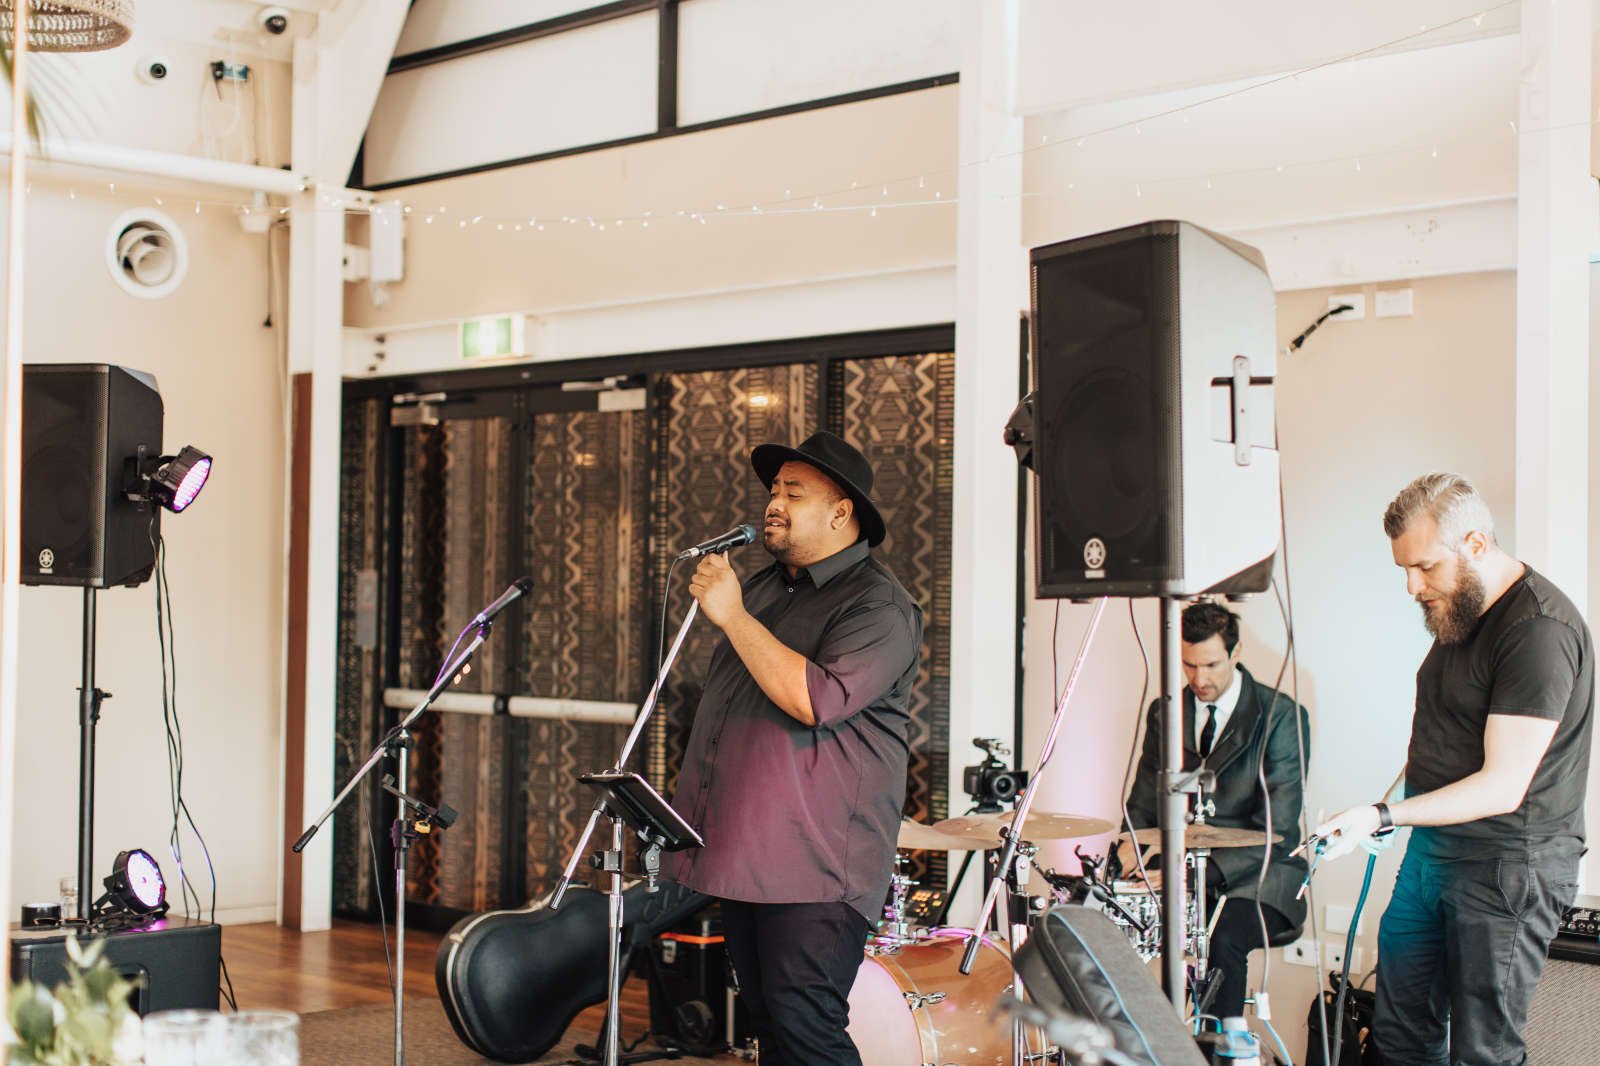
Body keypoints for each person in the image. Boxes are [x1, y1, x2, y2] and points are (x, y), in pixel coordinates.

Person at [1311, 473, 1592, 1066]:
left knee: (1481, 1052)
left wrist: (1384, 813)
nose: (1413, 586)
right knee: (1398, 1038)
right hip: (1433, 858)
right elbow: (1440, 747)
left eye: (1426, 567)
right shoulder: (1457, 614)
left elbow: (1502, 783)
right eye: (1403, 571)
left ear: (1477, 545)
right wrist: (1373, 821)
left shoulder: (1538, 631)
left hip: (1507, 870)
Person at [661, 430, 922, 1066]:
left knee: (808, 1028)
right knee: (770, 1029)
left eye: (794, 492)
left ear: (841, 512)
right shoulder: (768, 588)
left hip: (818, 866)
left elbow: (817, 700)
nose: (773, 503)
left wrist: (733, 617)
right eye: (773, 489)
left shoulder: (880, 606)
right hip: (748, 852)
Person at [1115, 601, 1311, 1020]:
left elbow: (1276, 832)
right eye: (1188, 665)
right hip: (1182, 873)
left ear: (1235, 654)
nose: (1198, 679)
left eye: (1211, 665)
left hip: (1262, 878)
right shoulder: (1165, 712)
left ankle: (1215, 1050)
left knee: (1220, 937)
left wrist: (1184, 876)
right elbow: (1142, 803)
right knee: (1099, 916)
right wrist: (1126, 852)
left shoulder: (1280, 717)